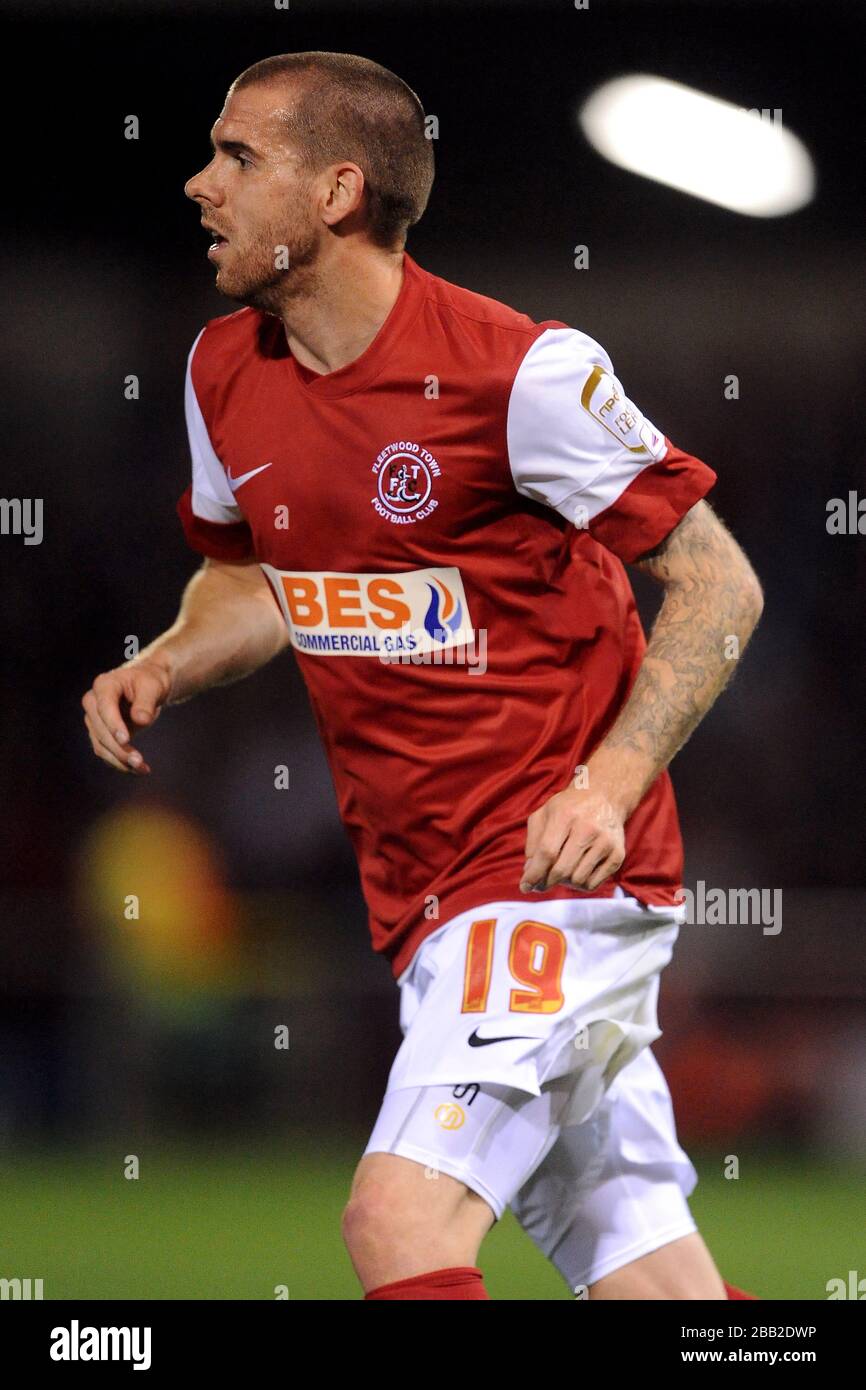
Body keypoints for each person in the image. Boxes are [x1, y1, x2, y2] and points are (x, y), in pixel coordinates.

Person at [82, 51, 763, 1300]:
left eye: (237, 157)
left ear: (337, 192)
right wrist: (171, 657)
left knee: (395, 1227)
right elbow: (254, 578)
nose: (198, 184)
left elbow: (721, 585)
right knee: (648, 1273)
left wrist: (606, 784)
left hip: (549, 878)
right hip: (422, 898)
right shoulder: (221, 373)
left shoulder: (521, 372)